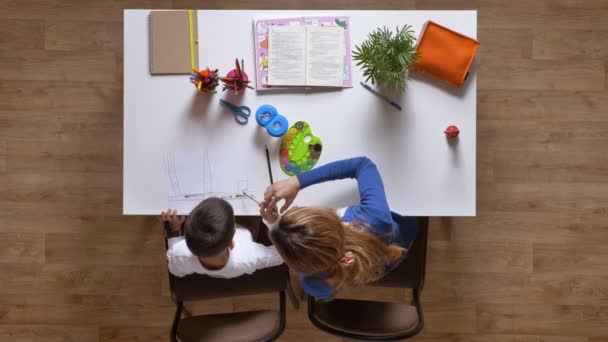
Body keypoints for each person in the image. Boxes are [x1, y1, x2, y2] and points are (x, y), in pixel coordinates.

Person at [259, 157, 418, 299]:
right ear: (331, 218)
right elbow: (363, 164)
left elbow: (291, 249)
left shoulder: (319, 263)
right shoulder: (374, 219)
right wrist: (297, 181)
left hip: (380, 259)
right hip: (400, 232)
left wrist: (274, 224)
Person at [162, 197, 283, 278]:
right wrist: (273, 223)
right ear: (232, 243)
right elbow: (282, 255)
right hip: (248, 231)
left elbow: (175, 270)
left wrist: (175, 228)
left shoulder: (180, 254)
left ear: (186, 239)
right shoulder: (250, 255)